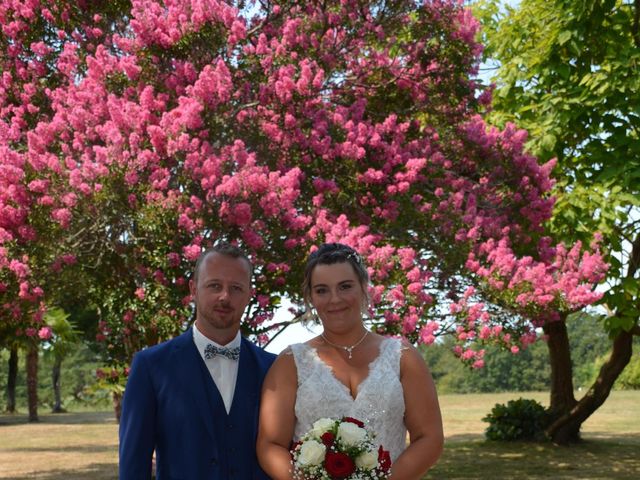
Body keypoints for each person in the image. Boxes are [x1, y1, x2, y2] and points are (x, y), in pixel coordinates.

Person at [257, 242, 444, 479]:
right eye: (322, 290)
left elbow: (430, 438)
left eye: (345, 287)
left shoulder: (402, 357)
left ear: (363, 287)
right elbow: (270, 445)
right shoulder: (290, 362)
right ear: (311, 297)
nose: (334, 299)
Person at [119, 243, 276, 480]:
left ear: (249, 295)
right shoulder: (151, 366)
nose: (225, 296)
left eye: (236, 288)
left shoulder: (273, 368)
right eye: (214, 286)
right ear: (193, 289)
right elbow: (134, 466)